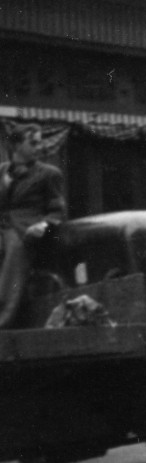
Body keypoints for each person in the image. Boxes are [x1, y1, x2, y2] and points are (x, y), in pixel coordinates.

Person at [0, 124, 66, 328]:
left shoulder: (48, 173)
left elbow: (57, 209)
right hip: (2, 225)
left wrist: (44, 224)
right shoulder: (2, 170)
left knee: (14, 251)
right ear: (17, 145)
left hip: (25, 230)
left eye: (40, 142)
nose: (39, 146)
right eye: (33, 142)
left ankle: (2, 320)